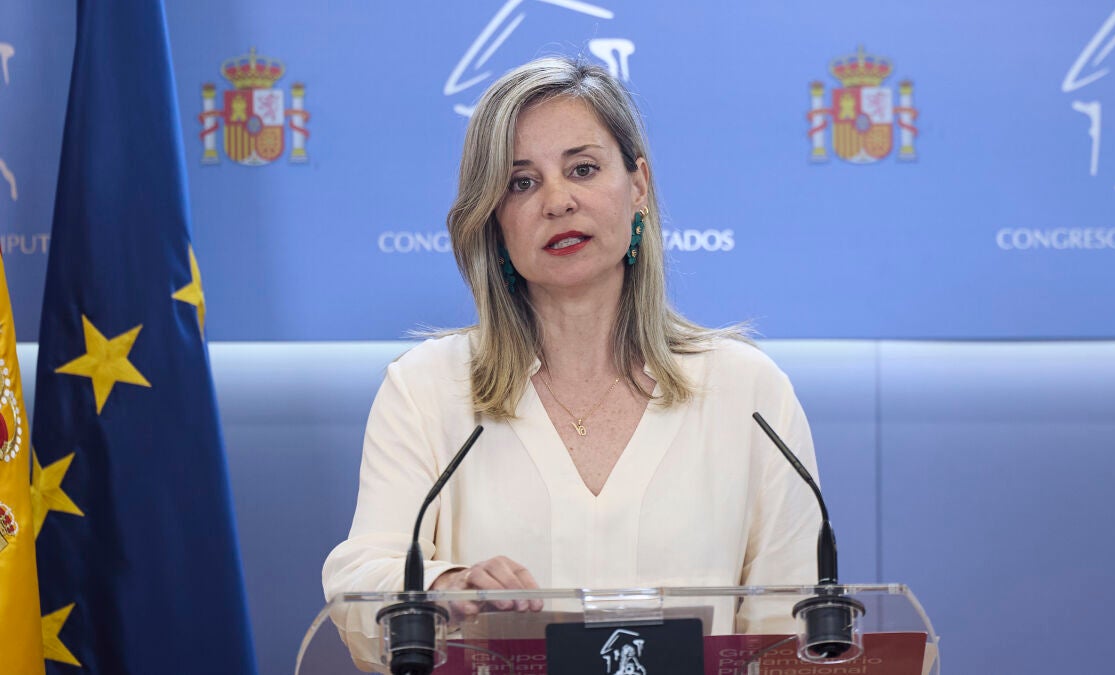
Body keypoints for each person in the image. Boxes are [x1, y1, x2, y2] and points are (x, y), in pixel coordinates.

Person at [321, 56, 820, 648]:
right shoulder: (428, 388)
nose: (557, 201)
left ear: (638, 185)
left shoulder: (748, 392)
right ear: (493, 218)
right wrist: (445, 587)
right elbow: (360, 580)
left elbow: (791, 630)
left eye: (583, 169)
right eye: (521, 183)